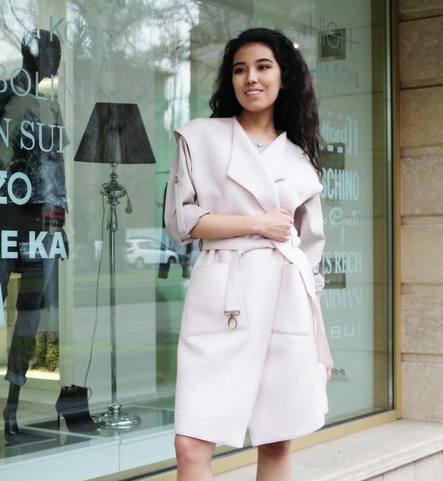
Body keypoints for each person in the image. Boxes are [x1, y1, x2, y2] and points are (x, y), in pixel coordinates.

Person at [164, 27, 333, 481]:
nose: (251, 78)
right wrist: (256, 223)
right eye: (240, 70)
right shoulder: (200, 137)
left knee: (277, 440)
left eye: (263, 67)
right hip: (222, 295)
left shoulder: (300, 161)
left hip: (286, 301)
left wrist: (320, 343)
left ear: (283, 77)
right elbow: (181, 221)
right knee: (190, 444)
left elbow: (310, 255)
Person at [0, 29, 68, 453]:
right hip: (4, 216)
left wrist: (59, 224)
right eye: (52, 53)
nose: (55, 62)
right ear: (34, 54)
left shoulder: (51, 107)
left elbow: (55, 168)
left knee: (29, 319)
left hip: (40, 223)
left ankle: (11, 411)